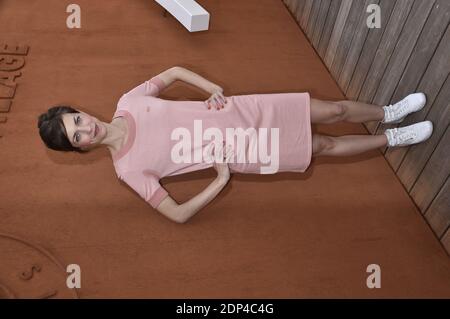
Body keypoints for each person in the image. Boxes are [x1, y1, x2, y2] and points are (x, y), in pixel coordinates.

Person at [37, 66, 433, 224]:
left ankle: (387, 111)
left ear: (79, 111)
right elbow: (176, 214)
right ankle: (393, 138)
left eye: (76, 120)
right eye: (77, 137)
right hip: (245, 153)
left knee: (331, 110)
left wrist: (209, 88)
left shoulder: (129, 101)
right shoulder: (128, 170)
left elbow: (172, 71)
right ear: (81, 150)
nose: (86, 129)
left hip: (243, 111)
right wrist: (219, 180)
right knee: (322, 146)